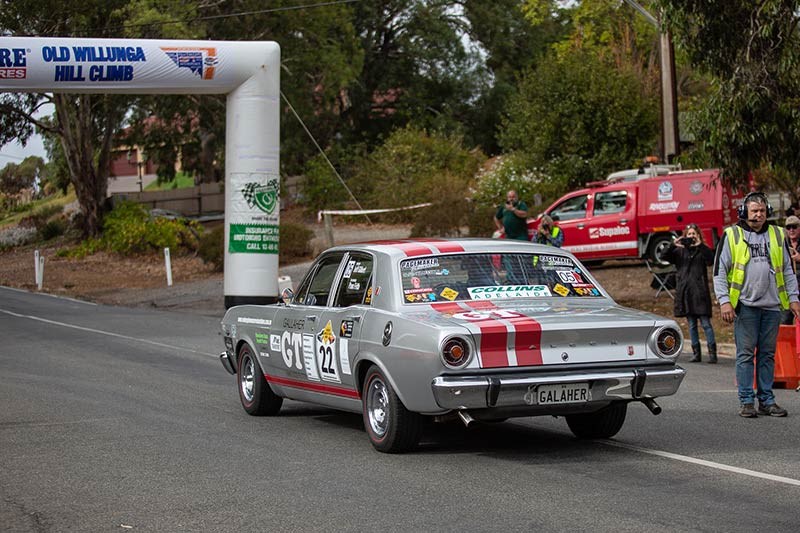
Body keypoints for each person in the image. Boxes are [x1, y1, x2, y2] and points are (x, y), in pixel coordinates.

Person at [714, 192, 800, 418]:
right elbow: (719, 271)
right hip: (745, 306)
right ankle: (746, 401)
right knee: (745, 354)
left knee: (767, 355)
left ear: (768, 213)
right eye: (754, 211)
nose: (759, 215)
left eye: (762, 211)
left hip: (772, 306)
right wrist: (724, 301)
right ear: (744, 212)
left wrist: (794, 298)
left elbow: (788, 270)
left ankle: (767, 400)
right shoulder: (732, 235)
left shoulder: (777, 234)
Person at [665, 224, 716, 363]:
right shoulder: (679, 252)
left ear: (698, 235)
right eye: (689, 234)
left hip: (700, 293)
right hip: (686, 293)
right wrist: (673, 245)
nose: (691, 237)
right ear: (685, 236)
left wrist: (701, 245)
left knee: (706, 324)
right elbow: (665, 256)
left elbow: (711, 260)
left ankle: (712, 353)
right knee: (692, 325)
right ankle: (696, 353)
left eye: (694, 234)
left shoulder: (701, 251)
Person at [782, 215, 800, 324]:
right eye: (789, 227)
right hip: (788, 290)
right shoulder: (782, 243)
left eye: (794, 227)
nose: (791, 230)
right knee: (785, 321)